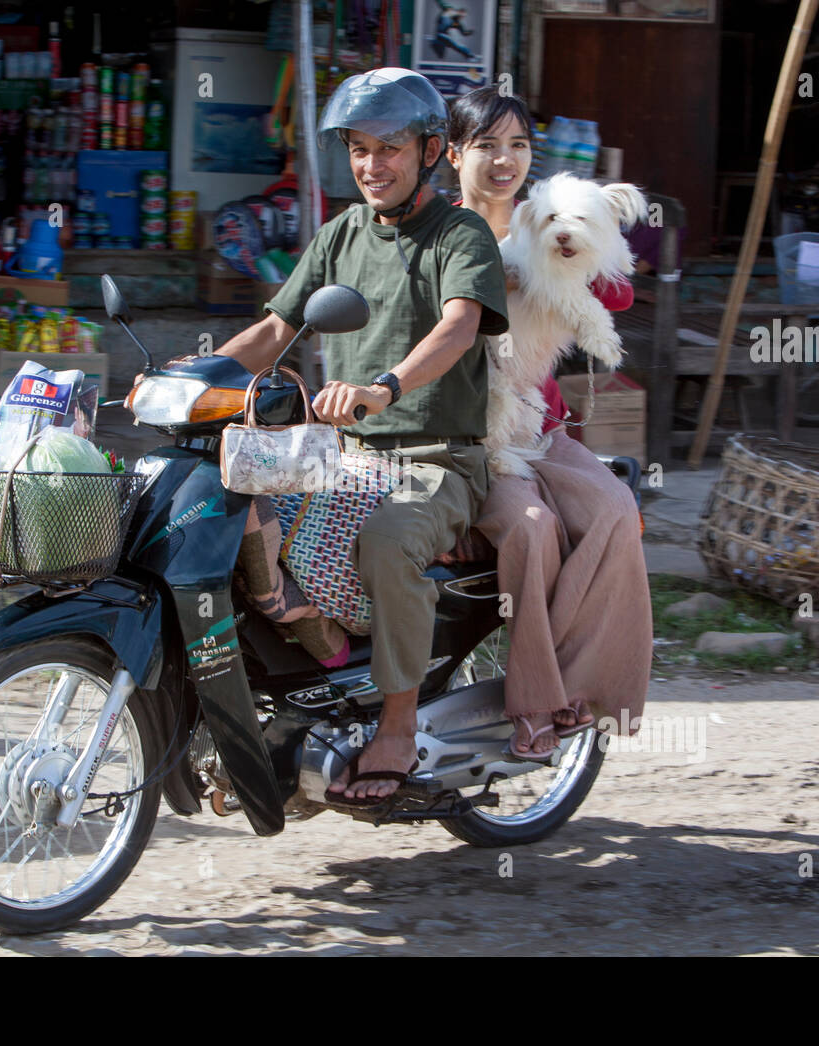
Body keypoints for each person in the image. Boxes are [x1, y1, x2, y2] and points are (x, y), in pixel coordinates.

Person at [213, 68, 509, 803]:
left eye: (389, 149)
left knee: (385, 543)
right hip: (341, 456)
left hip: (436, 461)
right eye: (358, 149)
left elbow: (459, 324)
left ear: (432, 150)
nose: (371, 166)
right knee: (225, 512)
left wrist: (385, 388)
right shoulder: (340, 234)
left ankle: (399, 726)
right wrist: (199, 373)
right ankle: (288, 695)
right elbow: (278, 328)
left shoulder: (459, 233)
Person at [445, 85, 652, 757]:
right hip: (471, 428)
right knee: (530, 531)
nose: (504, 160)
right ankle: (534, 703)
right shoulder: (441, 231)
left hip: (545, 422)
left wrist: (571, 251)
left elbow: (618, 288)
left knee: (617, 508)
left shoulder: (551, 216)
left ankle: (584, 688)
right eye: (486, 146)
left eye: (518, 146)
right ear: (454, 156)